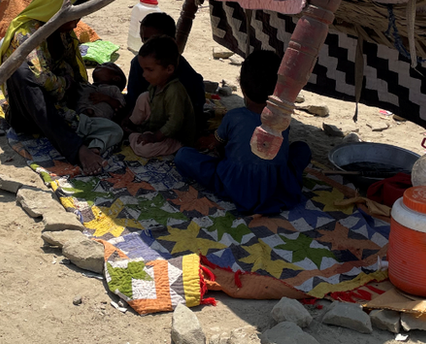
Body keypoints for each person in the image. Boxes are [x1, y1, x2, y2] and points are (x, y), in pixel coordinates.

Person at [0, 0, 122, 174]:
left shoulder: (64, 33)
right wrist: (66, 82)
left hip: (63, 105)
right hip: (31, 112)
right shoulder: (27, 34)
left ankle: (84, 134)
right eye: (73, 18)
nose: (75, 24)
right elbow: (39, 77)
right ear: (54, 9)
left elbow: (75, 73)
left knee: (112, 127)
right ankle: (75, 148)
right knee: (20, 72)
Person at [174, 50, 312, 214]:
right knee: (302, 149)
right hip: (275, 186)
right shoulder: (283, 119)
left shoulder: (234, 117)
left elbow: (216, 144)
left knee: (184, 156)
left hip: (235, 184)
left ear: (243, 89)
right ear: (279, 90)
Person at [125, 11, 205, 129]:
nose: (146, 45)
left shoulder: (187, 77)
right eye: (144, 40)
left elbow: (193, 109)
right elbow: (134, 98)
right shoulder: (139, 63)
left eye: (151, 41)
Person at [125, 36, 196, 158]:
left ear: (169, 69)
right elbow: (150, 103)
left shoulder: (175, 91)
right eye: (143, 69)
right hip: (157, 126)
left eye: (149, 70)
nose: (144, 74)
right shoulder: (156, 85)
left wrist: (155, 137)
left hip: (175, 137)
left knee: (145, 150)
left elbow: (175, 123)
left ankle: (132, 135)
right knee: (144, 97)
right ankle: (130, 127)